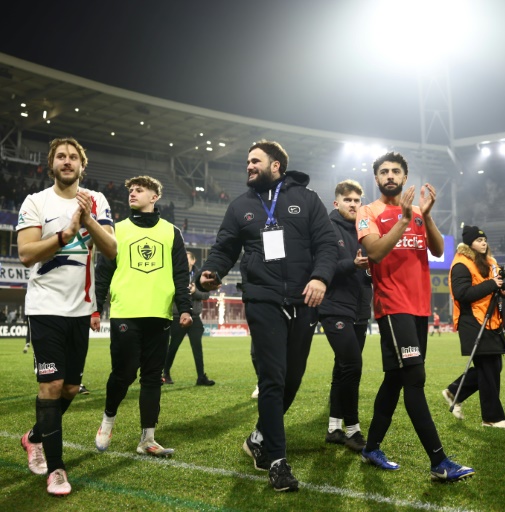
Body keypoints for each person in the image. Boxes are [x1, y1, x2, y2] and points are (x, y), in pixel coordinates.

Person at [197, 140, 336, 492]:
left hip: (304, 299)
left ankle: (258, 438)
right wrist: (211, 271)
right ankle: (277, 461)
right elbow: (225, 247)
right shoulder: (241, 205)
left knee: (293, 379)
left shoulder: (307, 199)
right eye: (247, 162)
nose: (249, 166)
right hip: (262, 299)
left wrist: (320, 277)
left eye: (255, 161)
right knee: (273, 378)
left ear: (276, 166)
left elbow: (326, 244)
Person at [356, 151, 474, 482]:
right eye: (383, 172)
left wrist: (427, 216)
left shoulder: (419, 213)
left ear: (405, 177)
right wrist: (405, 220)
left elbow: (438, 251)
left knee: (394, 379)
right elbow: (375, 252)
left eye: (396, 171)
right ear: (376, 178)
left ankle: (371, 447)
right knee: (414, 380)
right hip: (393, 306)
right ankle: (439, 462)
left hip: (420, 307)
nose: (390, 175)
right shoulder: (368, 212)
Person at [16, 137, 117, 496]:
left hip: (79, 310)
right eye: (61, 156)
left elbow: (112, 249)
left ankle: (34, 437)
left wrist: (88, 219)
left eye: (73, 157)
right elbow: (27, 254)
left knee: (71, 388)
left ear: (81, 165)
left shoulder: (96, 200)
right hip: (44, 307)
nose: (67, 161)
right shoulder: (35, 202)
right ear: (51, 164)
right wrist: (65, 234)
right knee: (52, 385)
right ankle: (56, 470)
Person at [93, 176, 193, 459]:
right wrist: (96, 307)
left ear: (155, 196)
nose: (133, 194)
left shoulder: (172, 232)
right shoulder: (117, 230)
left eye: (140, 190)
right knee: (123, 374)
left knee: (152, 377)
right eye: (131, 190)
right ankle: (108, 421)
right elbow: (104, 271)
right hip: (126, 311)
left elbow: (180, 274)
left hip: (159, 314)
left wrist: (185, 308)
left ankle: (148, 438)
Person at [441, 225, 505, 428]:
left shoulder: (489, 263)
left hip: (490, 320)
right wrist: (492, 284)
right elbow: (462, 294)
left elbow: (493, 286)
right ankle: (492, 418)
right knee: (489, 368)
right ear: (469, 243)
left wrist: (503, 290)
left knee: (491, 367)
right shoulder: (461, 263)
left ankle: (455, 391)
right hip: (472, 321)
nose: (484, 242)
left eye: (485, 240)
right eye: (479, 240)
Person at [319, 179, 373, 453]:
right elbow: (321, 265)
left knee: (343, 367)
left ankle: (334, 428)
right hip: (334, 305)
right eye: (348, 200)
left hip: (360, 307)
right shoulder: (327, 228)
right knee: (353, 365)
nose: (353, 204)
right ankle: (352, 429)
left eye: (357, 200)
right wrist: (351, 265)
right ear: (336, 202)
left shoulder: (363, 229)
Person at [163, 251, 215, 386]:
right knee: (173, 346)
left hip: (195, 317)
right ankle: (165, 373)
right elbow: (167, 292)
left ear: (193, 261)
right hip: (178, 316)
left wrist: (194, 292)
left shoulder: (199, 276)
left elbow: (206, 295)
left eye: (187, 259)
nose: (184, 261)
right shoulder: (173, 273)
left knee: (197, 347)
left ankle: (201, 377)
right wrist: (184, 291)